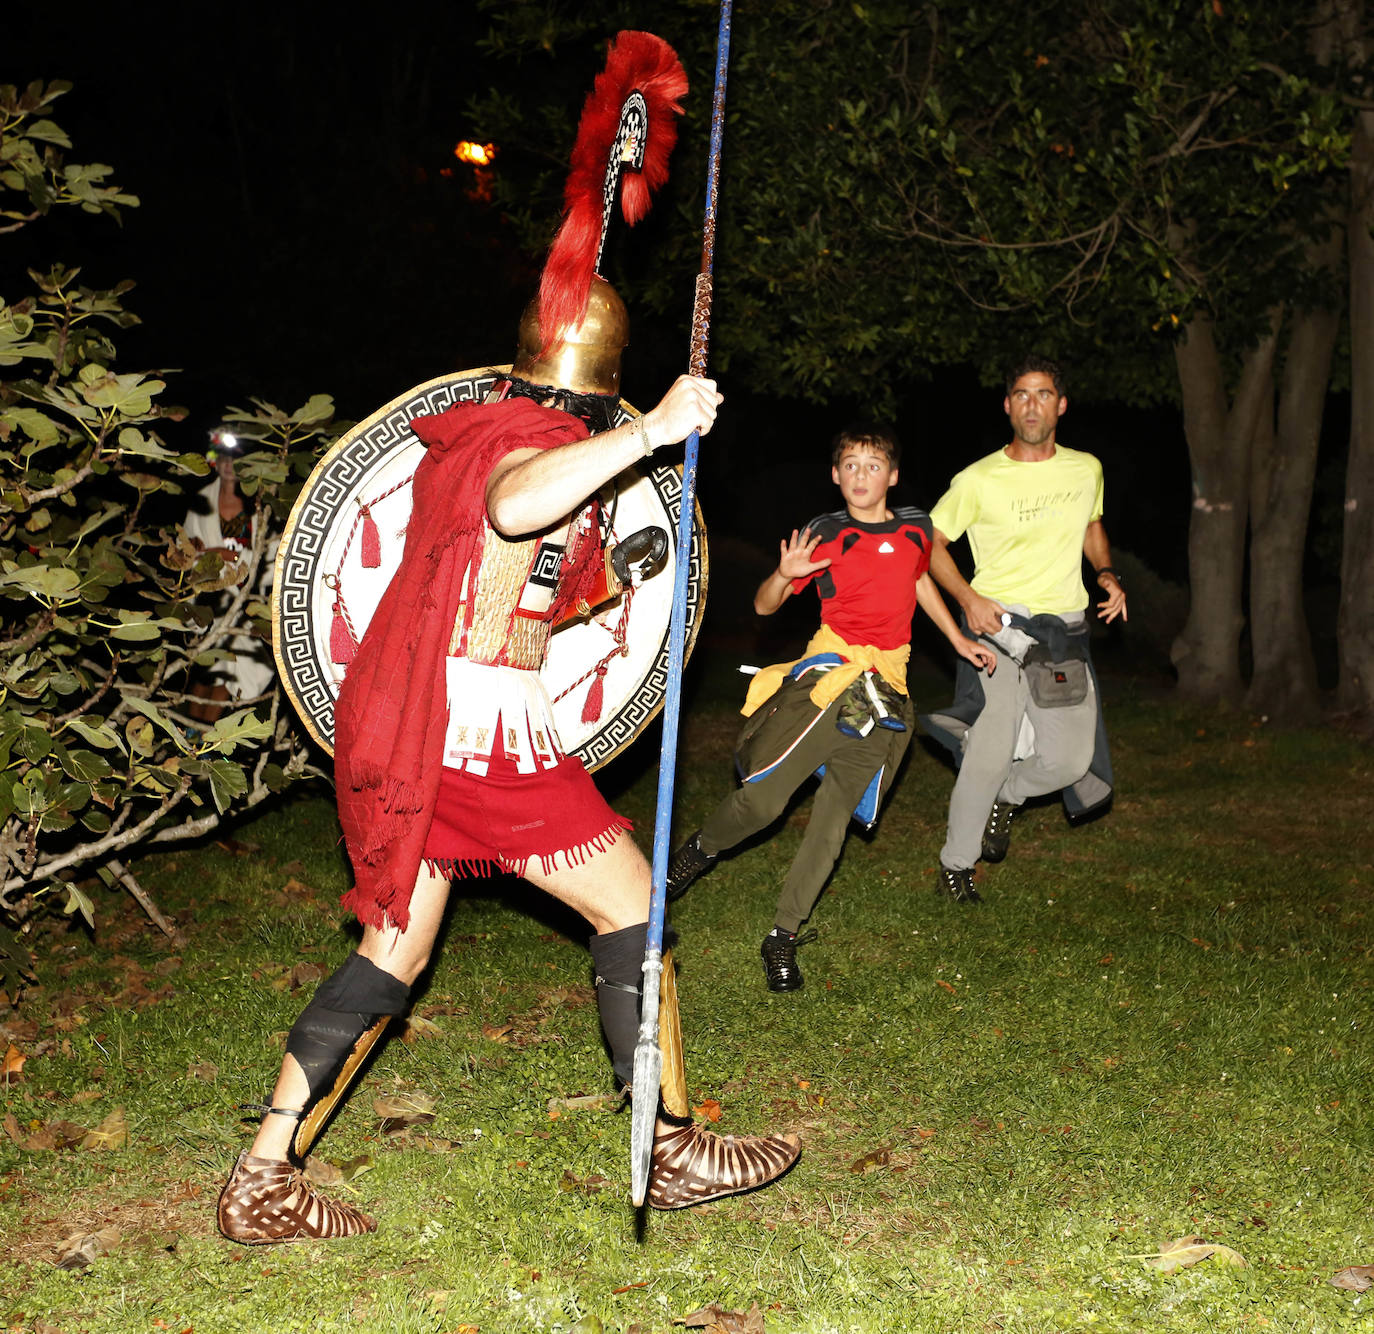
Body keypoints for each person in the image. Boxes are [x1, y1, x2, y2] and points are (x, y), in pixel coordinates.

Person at [216, 32, 799, 1245]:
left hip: (434, 718)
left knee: (396, 945)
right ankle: (673, 1143)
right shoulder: (511, 444)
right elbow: (513, 506)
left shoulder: (499, 424)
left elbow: (513, 574)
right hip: (478, 732)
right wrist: (655, 433)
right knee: (631, 897)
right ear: (594, 387)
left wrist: (613, 583)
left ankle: (262, 1172)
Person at [664, 425, 995, 992]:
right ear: (835, 475)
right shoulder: (824, 533)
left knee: (833, 823)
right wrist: (784, 575)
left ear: (892, 475)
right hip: (829, 678)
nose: (861, 475)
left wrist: (959, 639)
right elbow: (764, 606)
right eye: (850, 464)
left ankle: (783, 937)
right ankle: (698, 851)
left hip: (885, 689)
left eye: (873, 465)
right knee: (763, 803)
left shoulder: (916, 528)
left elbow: (918, 583)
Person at [920, 355, 1127, 904]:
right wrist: (968, 598)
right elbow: (930, 546)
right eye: (1021, 394)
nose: (1032, 404)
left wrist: (1106, 572)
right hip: (1000, 626)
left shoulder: (1086, 469)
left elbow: (1091, 527)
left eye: (1044, 394)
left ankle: (1004, 796)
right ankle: (956, 866)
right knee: (990, 745)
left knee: (1070, 760)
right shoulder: (977, 478)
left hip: (1064, 631)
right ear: (1008, 404)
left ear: (1061, 405)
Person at [182, 429, 277, 721]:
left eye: (236, 459)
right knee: (204, 673)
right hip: (210, 600)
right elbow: (185, 551)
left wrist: (230, 556)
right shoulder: (201, 502)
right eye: (224, 458)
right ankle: (188, 740)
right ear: (216, 461)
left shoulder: (262, 506)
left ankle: (207, 750)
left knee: (230, 676)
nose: (229, 465)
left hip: (247, 600)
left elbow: (273, 558)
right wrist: (199, 556)